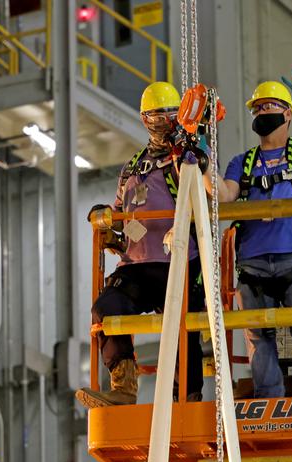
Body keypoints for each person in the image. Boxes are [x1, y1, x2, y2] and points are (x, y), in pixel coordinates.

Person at [77, 80, 205, 408]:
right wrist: (107, 221)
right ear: (145, 119)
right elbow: (120, 210)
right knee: (106, 308)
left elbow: (203, 188)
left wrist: (191, 148)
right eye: (156, 116)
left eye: (171, 114)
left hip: (178, 260)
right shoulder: (133, 167)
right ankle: (123, 388)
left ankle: (185, 399)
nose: (164, 122)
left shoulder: (187, 158)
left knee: (182, 325)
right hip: (137, 264)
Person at [214, 70, 292, 399]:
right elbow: (224, 194)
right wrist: (200, 158)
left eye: (268, 106)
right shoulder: (242, 163)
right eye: (256, 109)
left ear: (287, 113)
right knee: (258, 338)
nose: (261, 114)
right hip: (253, 265)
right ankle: (268, 404)